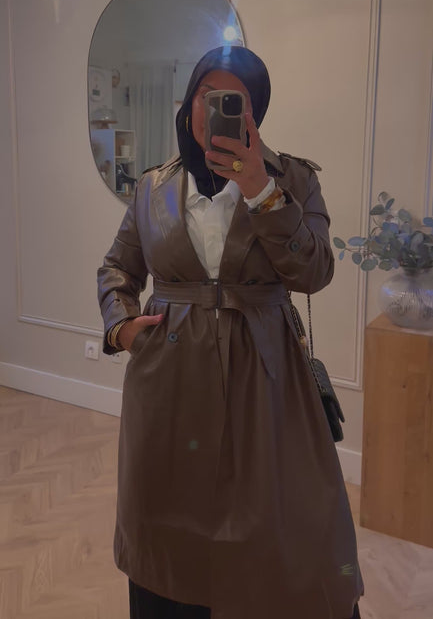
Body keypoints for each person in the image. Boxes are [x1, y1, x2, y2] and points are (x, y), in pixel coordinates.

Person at [97, 46, 364, 619]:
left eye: (233, 98)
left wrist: (261, 190)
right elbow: (118, 267)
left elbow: (314, 271)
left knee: (284, 520)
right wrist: (121, 327)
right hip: (168, 374)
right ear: (189, 102)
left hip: (267, 374)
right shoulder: (152, 187)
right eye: (206, 94)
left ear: (253, 112)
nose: (215, 107)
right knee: (167, 517)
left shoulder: (293, 179)